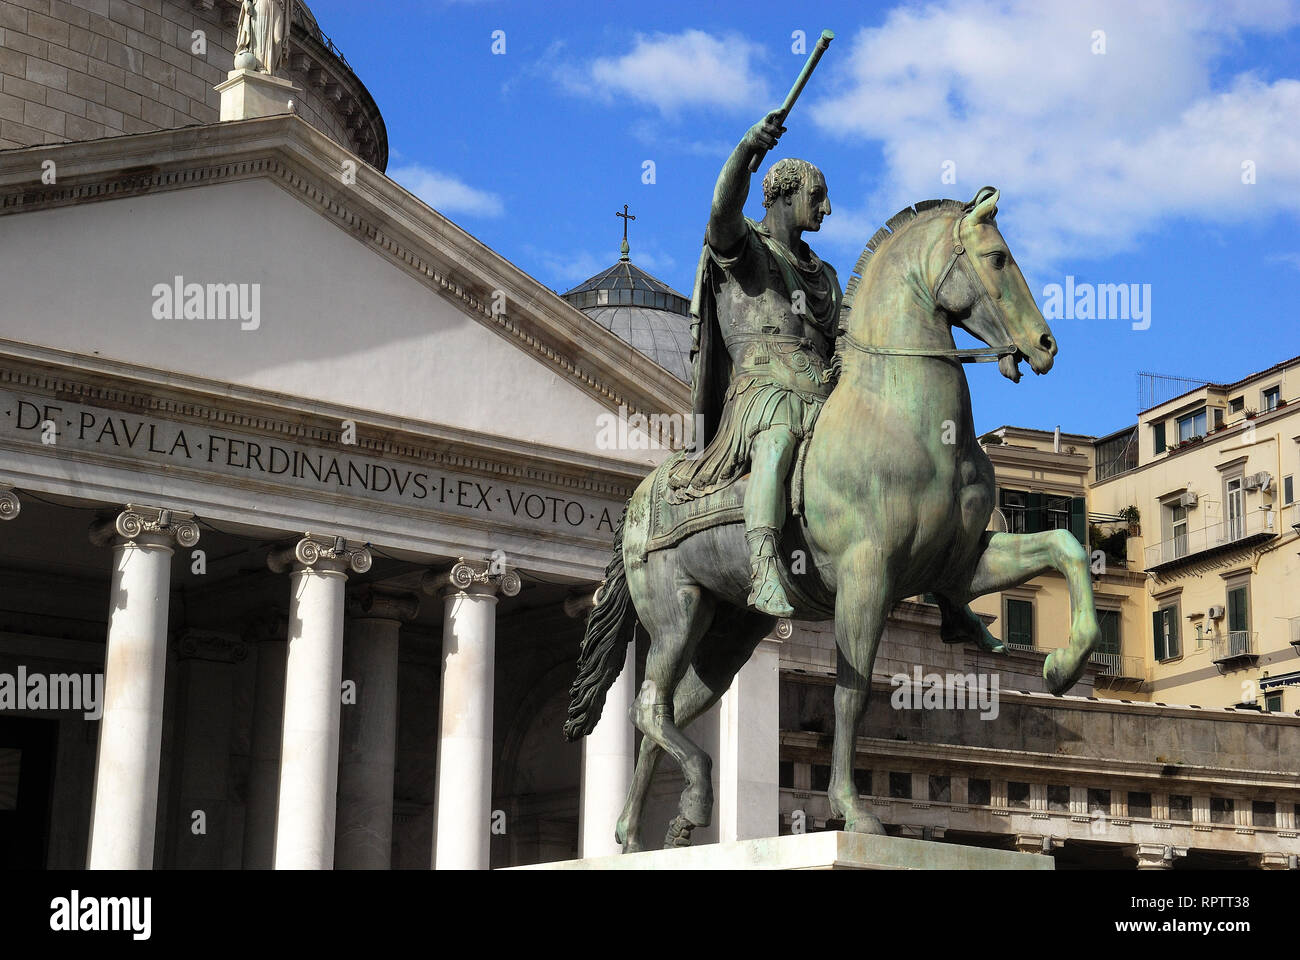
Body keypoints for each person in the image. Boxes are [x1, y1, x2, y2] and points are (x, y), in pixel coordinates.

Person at [667, 110, 841, 618]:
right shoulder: (742, 248)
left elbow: (845, 338)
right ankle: (764, 565)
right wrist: (747, 148)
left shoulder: (823, 273)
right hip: (761, 389)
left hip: (823, 391)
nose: (827, 209)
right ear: (786, 195)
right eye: (817, 196)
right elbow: (721, 208)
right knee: (781, 429)